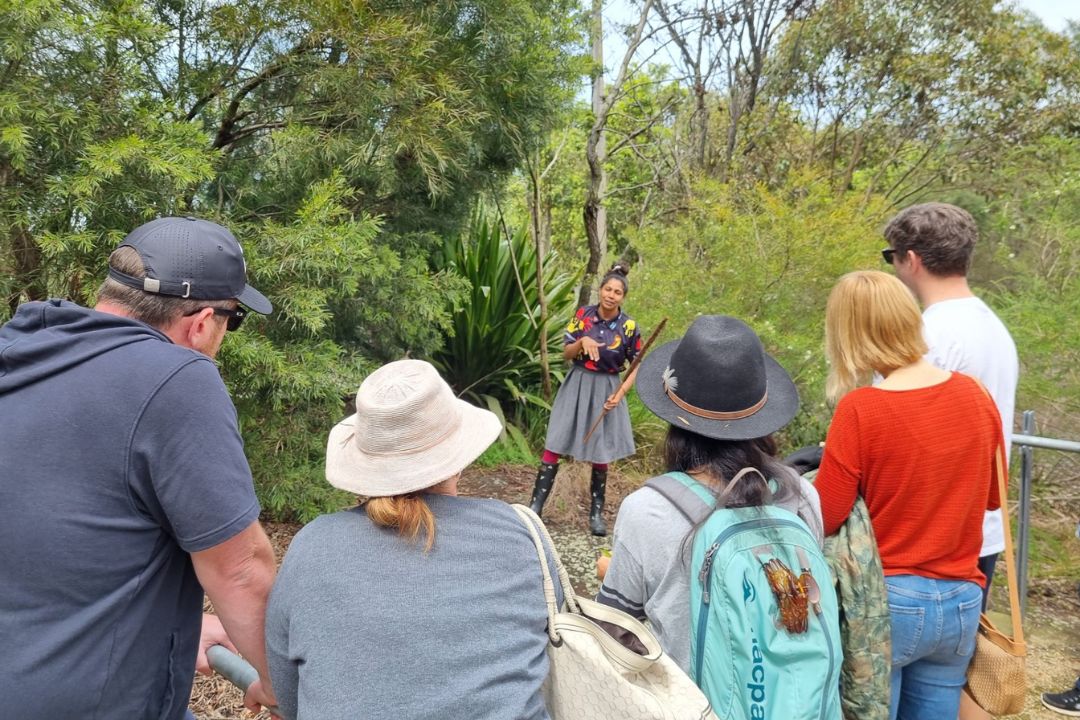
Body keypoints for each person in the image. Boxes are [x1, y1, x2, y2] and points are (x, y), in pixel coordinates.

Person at [0, 217, 278, 719]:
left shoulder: (21, 354)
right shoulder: (178, 379)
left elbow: (54, 548)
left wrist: (177, 627)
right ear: (200, 322)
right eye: (232, 319)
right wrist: (280, 682)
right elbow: (240, 569)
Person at [265, 359, 560, 720]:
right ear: (458, 457)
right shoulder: (520, 534)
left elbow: (290, 695)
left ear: (364, 458)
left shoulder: (311, 547)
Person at [814, 270, 1003, 720]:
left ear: (850, 334)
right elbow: (992, 498)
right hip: (961, 599)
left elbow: (827, 514)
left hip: (890, 601)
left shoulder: (863, 409)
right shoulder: (976, 395)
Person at [595, 315, 825, 673]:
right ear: (761, 412)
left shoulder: (647, 510)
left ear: (673, 417)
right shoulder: (803, 496)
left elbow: (615, 634)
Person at [883, 202, 1019, 610]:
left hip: (927, 544)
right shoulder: (993, 327)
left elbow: (893, 441)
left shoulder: (930, 334)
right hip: (980, 530)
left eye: (891, 257)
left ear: (911, 260)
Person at [529, 262, 642, 536]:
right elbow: (566, 353)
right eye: (607, 289)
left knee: (601, 450)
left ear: (622, 297)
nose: (611, 295)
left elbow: (637, 364)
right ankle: (535, 507)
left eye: (617, 292)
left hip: (608, 387)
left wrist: (621, 393)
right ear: (600, 290)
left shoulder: (628, 327)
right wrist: (582, 343)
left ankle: (596, 514)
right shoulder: (583, 315)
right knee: (556, 439)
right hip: (577, 382)